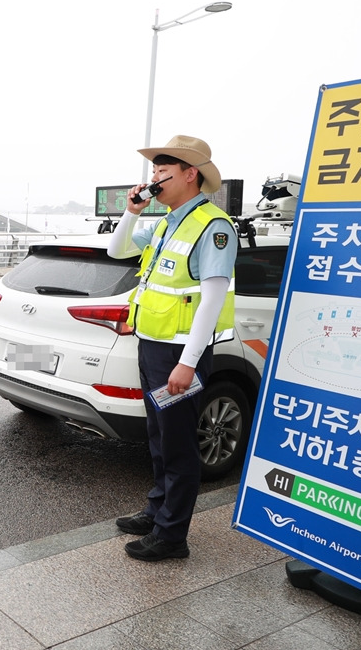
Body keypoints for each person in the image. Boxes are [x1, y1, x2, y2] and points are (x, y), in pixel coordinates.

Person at [107, 135, 237, 562]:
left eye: (163, 171)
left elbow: (212, 300)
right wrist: (132, 211)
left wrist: (188, 363)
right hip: (153, 347)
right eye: (154, 172)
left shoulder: (213, 227)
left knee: (179, 442)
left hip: (180, 354)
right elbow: (116, 249)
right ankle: (157, 511)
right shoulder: (166, 222)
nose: (155, 179)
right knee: (159, 435)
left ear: (190, 174)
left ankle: (171, 536)